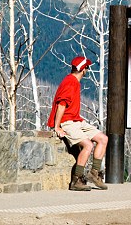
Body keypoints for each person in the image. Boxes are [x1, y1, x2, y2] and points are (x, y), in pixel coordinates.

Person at [47, 56, 108, 191]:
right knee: (88, 145)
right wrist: (57, 126)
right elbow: (61, 104)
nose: (87, 69)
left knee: (103, 139)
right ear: (83, 69)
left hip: (76, 120)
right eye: (87, 67)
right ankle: (76, 180)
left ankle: (94, 173)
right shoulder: (70, 82)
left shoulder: (74, 81)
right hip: (67, 122)